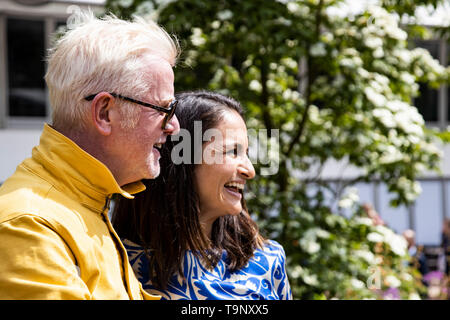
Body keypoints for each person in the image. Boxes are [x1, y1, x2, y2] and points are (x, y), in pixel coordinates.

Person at [0, 11, 180, 299]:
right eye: (164, 109)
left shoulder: (84, 201)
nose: (174, 126)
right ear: (105, 113)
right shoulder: (30, 226)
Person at [112, 91, 292, 300]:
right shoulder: (117, 263)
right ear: (183, 160)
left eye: (246, 154)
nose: (249, 170)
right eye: (232, 152)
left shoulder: (266, 261)